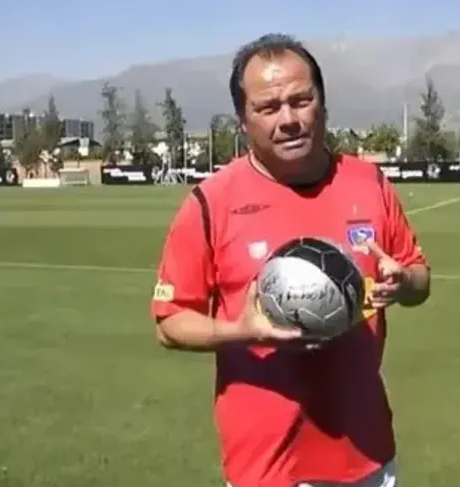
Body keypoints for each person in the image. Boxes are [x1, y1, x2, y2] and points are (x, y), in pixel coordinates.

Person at [150, 33, 431, 487]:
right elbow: (168, 322)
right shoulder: (210, 202)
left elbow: (420, 278)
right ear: (244, 120)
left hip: (366, 458)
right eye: (268, 107)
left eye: (301, 101)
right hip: (265, 468)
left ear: (323, 103)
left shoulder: (369, 183)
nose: (289, 120)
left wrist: (406, 284)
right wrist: (239, 330)